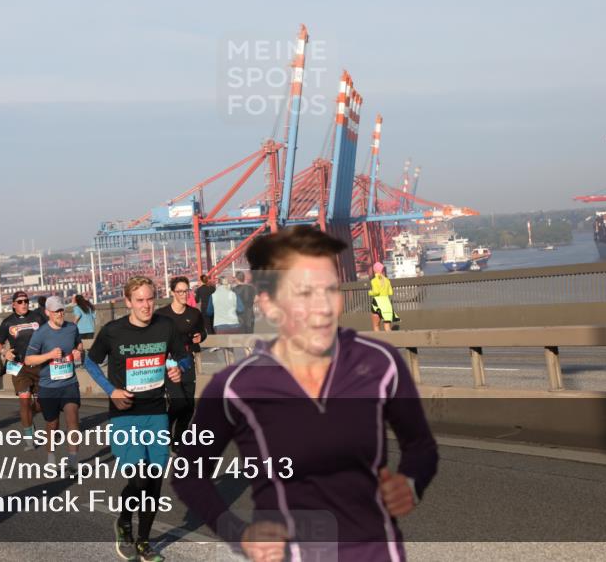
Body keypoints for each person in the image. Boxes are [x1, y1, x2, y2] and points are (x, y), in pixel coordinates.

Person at [173, 226, 439, 562]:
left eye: (331, 289)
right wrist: (236, 532)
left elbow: (421, 445)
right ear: (268, 304)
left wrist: (412, 481)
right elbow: (186, 470)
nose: (324, 307)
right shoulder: (235, 387)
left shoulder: (380, 363)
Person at [85, 276, 191, 562]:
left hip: (156, 413)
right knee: (140, 480)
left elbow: (183, 358)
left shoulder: (165, 326)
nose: (146, 305)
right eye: (140, 300)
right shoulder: (113, 331)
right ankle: (123, 521)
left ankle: (144, 542)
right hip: (124, 415)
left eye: (150, 299)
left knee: (154, 483)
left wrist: (177, 369)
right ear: (128, 302)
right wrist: (111, 390)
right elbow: (89, 361)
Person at [24, 296, 84, 469]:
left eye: (61, 310)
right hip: (48, 387)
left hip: (69, 383)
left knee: (73, 419)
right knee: (52, 424)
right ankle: (51, 458)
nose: (59, 314)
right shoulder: (40, 333)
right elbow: (28, 360)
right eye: (56, 311)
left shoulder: (72, 328)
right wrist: (49, 355)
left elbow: (79, 345)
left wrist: (78, 351)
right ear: (47, 313)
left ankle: (73, 461)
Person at [155, 276, 207, 445]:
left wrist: (201, 337)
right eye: (180, 291)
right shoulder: (161, 314)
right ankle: (166, 428)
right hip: (169, 362)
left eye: (186, 291)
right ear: (172, 293)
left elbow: (202, 332)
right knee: (179, 402)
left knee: (189, 405)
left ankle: (179, 437)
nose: (184, 294)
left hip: (187, 360)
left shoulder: (194, 313)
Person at [0, 291, 45, 446]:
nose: (24, 304)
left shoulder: (37, 317)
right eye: (20, 302)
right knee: (24, 401)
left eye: (26, 301)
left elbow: (49, 333)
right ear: (14, 304)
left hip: (38, 365)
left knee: (41, 404)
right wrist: (4, 352)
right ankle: (29, 436)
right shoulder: (8, 322)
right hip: (19, 366)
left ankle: (31, 414)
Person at [369, 262, 398, 332]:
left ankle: (378, 342)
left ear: (375, 270)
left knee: (376, 326)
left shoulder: (374, 281)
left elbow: (376, 292)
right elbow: (390, 292)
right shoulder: (387, 280)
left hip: (377, 303)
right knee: (387, 327)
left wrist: (370, 292)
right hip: (386, 303)